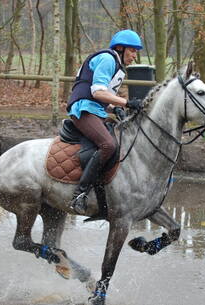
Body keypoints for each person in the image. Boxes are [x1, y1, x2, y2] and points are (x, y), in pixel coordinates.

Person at [66, 29, 144, 214]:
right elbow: (97, 92)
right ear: (120, 48)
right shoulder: (108, 60)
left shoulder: (117, 66)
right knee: (108, 145)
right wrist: (126, 102)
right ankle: (80, 194)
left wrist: (114, 108)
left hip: (94, 109)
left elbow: (102, 99)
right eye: (132, 51)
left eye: (136, 52)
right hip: (82, 110)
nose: (134, 56)